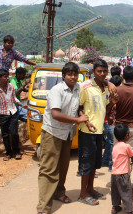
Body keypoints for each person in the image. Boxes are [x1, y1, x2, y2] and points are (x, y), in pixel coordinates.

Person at [37, 62, 89, 213]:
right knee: (48, 169)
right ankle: (43, 207)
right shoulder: (57, 90)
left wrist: (81, 116)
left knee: (63, 166)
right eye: (69, 74)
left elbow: (78, 106)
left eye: (75, 74)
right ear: (64, 75)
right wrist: (77, 120)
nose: (73, 77)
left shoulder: (78, 88)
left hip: (67, 133)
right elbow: (55, 114)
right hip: (53, 132)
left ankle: (59, 192)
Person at [77, 59, 114, 205]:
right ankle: (82, 194)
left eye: (105, 71)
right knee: (86, 163)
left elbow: (106, 109)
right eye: (99, 71)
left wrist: (113, 103)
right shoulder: (85, 87)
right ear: (93, 72)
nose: (102, 74)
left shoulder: (105, 88)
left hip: (99, 131)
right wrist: (84, 120)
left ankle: (90, 190)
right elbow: (78, 107)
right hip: (87, 131)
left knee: (94, 163)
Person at [0, 69, 23, 161]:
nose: (7, 78)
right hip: (2, 113)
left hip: (13, 111)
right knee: (5, 134)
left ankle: (16, 151)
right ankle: (8, 153)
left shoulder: (11, 86)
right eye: (5, 77)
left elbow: (14, 98)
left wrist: (21, 104)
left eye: (8, 76)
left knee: (14, 133)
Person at [111, 124, 133, 214]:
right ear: (126, 136)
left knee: (115, 192)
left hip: (114, 173)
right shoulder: (126, 146)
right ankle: (129, 210)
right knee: (126, 192)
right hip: (123, 174)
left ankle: (115, 207)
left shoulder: (115, 146)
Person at [101, 76, 122, 171]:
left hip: (104, 120)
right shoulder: (113, 94)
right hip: (110, 121)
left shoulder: (105, 92)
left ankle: (104, 160)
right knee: (113, 143)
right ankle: (111, 164)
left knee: (109, 142)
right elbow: (114, 108)